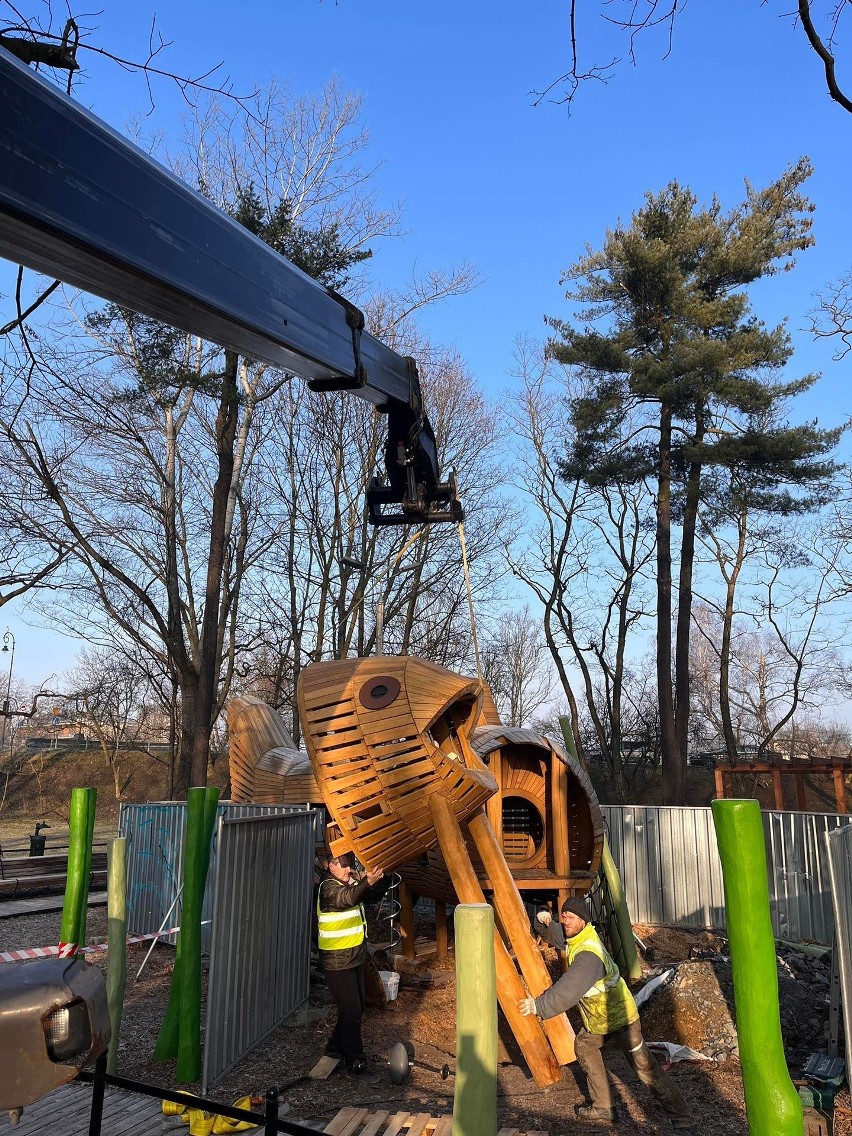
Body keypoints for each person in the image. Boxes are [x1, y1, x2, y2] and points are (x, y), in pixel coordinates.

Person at [518, 896, 694, 1129]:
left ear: (583, 920)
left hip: (622, 1019)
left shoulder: (589, 955)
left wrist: (537, 1006)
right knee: (585, 1045)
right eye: (564, 916)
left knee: (644, 1068)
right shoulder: (575, 936)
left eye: (571, 918)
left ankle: (682, 1119)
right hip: (600, 1021)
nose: (566, 921)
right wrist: (542, 920)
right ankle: (603, 1106)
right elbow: (552, 933)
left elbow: (568, 989)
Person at [316, 849, 391, 1082]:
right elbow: (347, 898)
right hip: (337, 961)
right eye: (343, 865)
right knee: (351, 1010)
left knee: (356, 1008)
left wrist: (381, 878)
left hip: (354, 956)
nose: (349, 870)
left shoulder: (350, 883)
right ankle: (355, 1063)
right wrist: (364, 883)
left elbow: (369, 896)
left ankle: (334, 1049)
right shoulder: (328, 888)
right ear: (331, 867)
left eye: (350, 865)